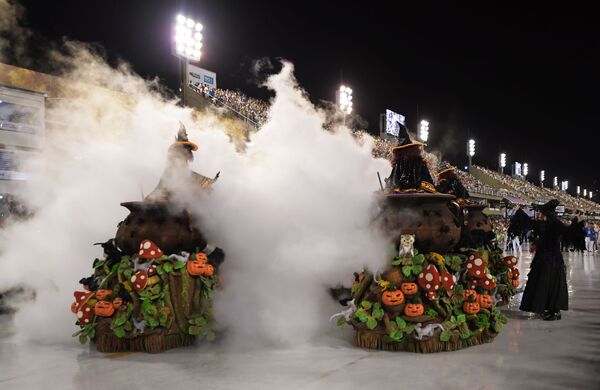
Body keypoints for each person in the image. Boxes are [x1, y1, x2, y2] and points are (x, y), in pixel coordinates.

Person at [520, 199, 568, 321]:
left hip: (550, 260)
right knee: (544, 283)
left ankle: (554, 311)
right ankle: (548, 308)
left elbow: (551, 237)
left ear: (546, 214)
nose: (539, 214)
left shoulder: (553, 224)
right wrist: (537, 243)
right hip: (547, 258)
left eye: (541, 212)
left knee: (548, 283)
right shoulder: (550, 224)